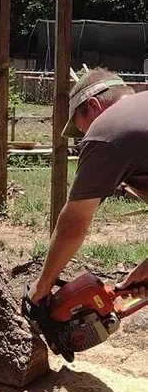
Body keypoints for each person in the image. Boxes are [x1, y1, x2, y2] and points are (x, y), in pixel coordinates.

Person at [30, 68, 148, 305]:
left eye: (81, 127)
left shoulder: (108, 128)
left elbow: (74, 223)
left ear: (93, 105)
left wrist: (40, 290)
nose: (84, 135)